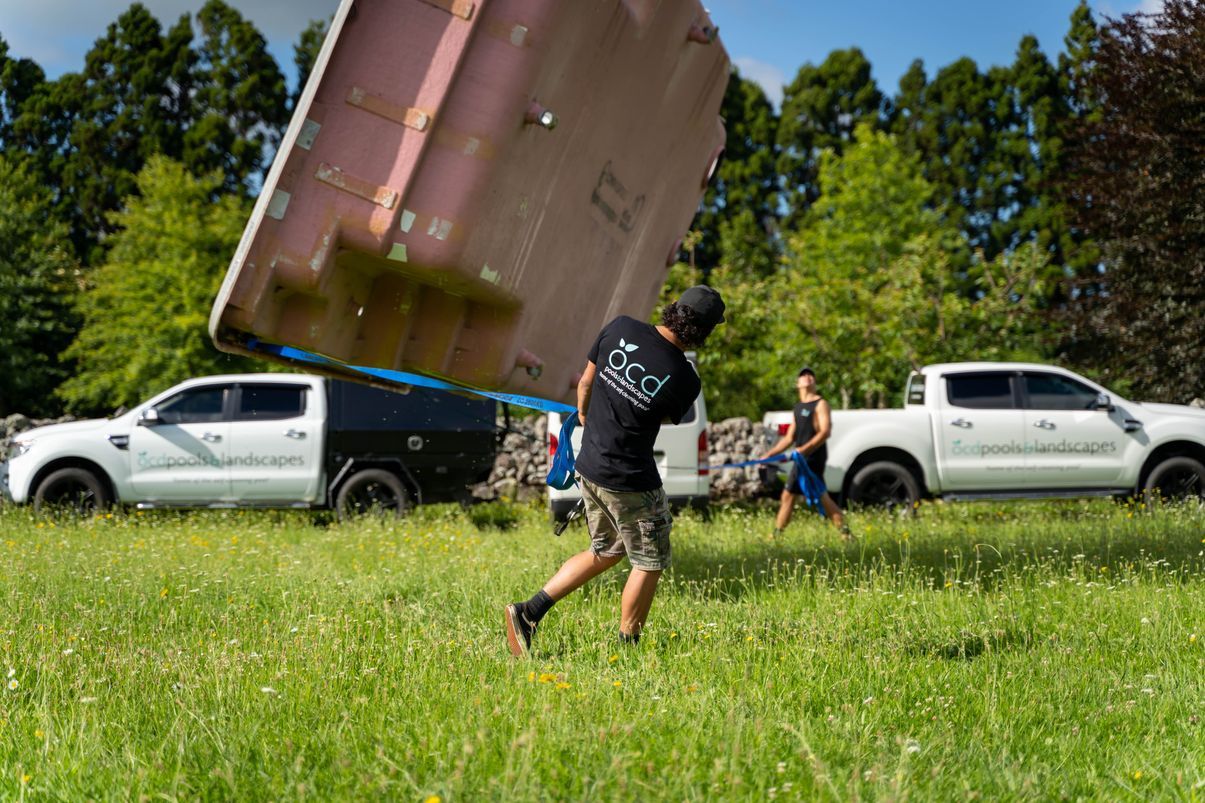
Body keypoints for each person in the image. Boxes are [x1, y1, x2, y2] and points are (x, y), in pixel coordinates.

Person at [505, 286, 725, 657]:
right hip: (631, 482)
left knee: (605, 549)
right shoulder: (685, 377)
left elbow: (586, 382)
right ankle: (627, 650)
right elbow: (669, 418)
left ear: (674, 309)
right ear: (702, 331)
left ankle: (528, 612)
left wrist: (589, 419)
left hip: (589, 466)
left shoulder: (621, 328)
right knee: (650, 561)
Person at [761, 367, 849, 538]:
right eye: (803, 376)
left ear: (815, 382)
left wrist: (803, 450)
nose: (808, 377)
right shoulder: (798, 407)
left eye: (811, 375)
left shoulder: (821, 404)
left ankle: (846, 533)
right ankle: (777, 534)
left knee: (817, 496)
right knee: (790, 495)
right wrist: (770, 454)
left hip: (813, 458)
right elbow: (789, 438)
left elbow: (825, 432)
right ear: (798, 384)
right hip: (801, 458)